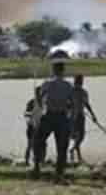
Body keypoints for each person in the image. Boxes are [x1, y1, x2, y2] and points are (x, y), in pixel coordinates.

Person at [32, 52, 74, 180]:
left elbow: (38, 94)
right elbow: (72, 103)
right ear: (63, 71)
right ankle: (59, 173)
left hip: (49, 115)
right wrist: (69, 114)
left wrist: (40, 104)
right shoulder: (68, 85)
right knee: (62, 147)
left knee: (38, 140)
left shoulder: (47, 83)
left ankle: (37, 167)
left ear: (54, 70)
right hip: (62, 117)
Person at [68, 75, 100, 164]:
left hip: (81, 115)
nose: (79, 83)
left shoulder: (84, 92)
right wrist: (70, 107)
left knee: (81, 136)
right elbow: (67, 103)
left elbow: (87, 104)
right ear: (75, 81)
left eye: (80, 81)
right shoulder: (70, 91)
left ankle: (73, 150)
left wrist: (93, 115)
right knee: (73, 136)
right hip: (72, 116)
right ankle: (77, 156)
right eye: (78, 81)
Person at [23, 86, 44, 165]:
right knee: (30, 144)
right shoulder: (32, 102)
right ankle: (26, 161)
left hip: (41, 127)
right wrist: (31, 115)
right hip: (31, 126)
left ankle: (41, 161)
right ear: (36, 93)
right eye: (38, 93)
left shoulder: (44, 102)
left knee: (43, 144)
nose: (40, 95)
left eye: (41, 93)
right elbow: (26, 113)